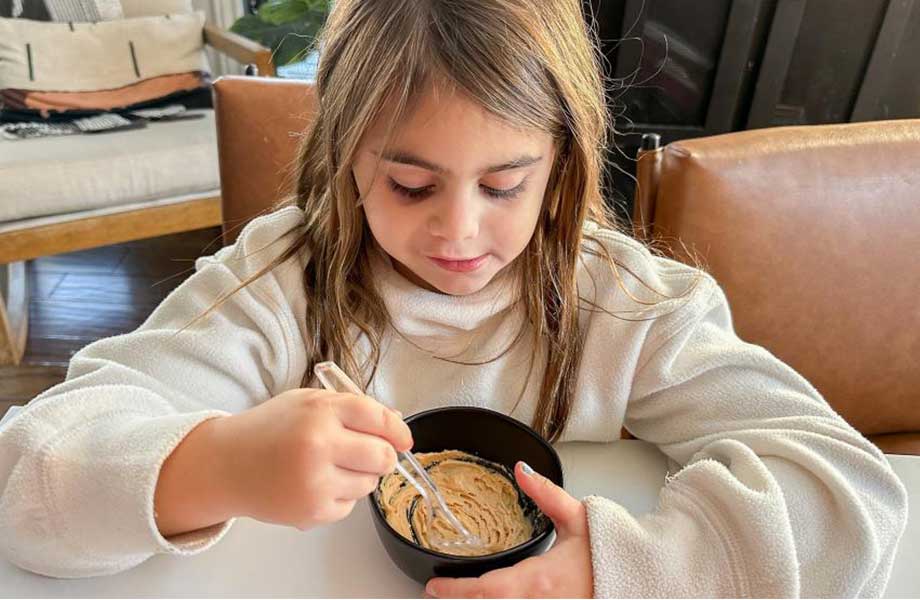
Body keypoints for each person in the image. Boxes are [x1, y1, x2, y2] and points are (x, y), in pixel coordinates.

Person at [0, 0, 907, 596]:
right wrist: (215, 465)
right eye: (409, 185)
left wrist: (621, 570)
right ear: (346, 159)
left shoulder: (626, 303)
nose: (460, 235)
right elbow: (25, 483)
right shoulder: (277, 284)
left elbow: (854, 497)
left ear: (562, 166)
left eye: (505, 186)